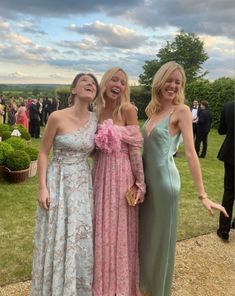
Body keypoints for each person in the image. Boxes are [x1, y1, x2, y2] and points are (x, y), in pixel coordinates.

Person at [139, 61, 228, 296]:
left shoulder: (182, 111)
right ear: (160, 81)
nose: (173, 85)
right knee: (146, 238)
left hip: (165, 185)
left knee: (160, 243)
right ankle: (144, 286)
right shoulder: (152, 111)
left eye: (178, 82)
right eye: (169, 80)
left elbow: (190, 152)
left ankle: (158, 291)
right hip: (147, 185)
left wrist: (203, 194)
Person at [30, 73, 99, 296]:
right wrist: (42, 187)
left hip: (82, 185)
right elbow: (43, 152)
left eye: (94, 83)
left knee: (79, 236)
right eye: (84, 82)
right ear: (73, 90)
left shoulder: (96, 119)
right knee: (57, 235)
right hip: (58, 181)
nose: (90, 84)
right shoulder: (57, 117)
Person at [92, 67, 145, 296]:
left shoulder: (128, 110)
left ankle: (120, 286)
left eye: (123, 82)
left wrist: (140, 182)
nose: (118, 84)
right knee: (100, 226)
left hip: (122, 176)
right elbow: (92, 149)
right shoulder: (97, 109)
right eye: (114, 79)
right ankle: (101, 284)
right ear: (105, 82)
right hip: (100, 174)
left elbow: (135, 149)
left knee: (120, 230)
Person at [217, 101, 234, 241]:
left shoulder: (228, 106)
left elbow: (221, 130)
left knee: (229, 191)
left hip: (231, 153)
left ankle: (224, 230)